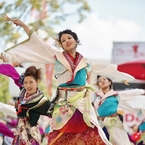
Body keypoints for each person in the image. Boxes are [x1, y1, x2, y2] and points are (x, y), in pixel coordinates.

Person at [2, 16, 112, 144]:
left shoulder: (85, 62)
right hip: (65, 102)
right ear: (61, 45)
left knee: (91, 132)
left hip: (83, 102)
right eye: (63, 40)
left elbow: (105, 70)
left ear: (76, 41)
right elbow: (38, 42)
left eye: (69, 38)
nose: (67, 41)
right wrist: (23, 25)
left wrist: (124, 78)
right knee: (60, 134)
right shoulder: (57, 57)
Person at [11, 66, 51, 145]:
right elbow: (12, 74)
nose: (28, 85)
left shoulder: (42, 101)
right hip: (19, 135)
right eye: (25, 82)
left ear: (37, 81)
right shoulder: (22, 93)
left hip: (31, 138)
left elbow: (55, 113)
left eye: (31, 82)